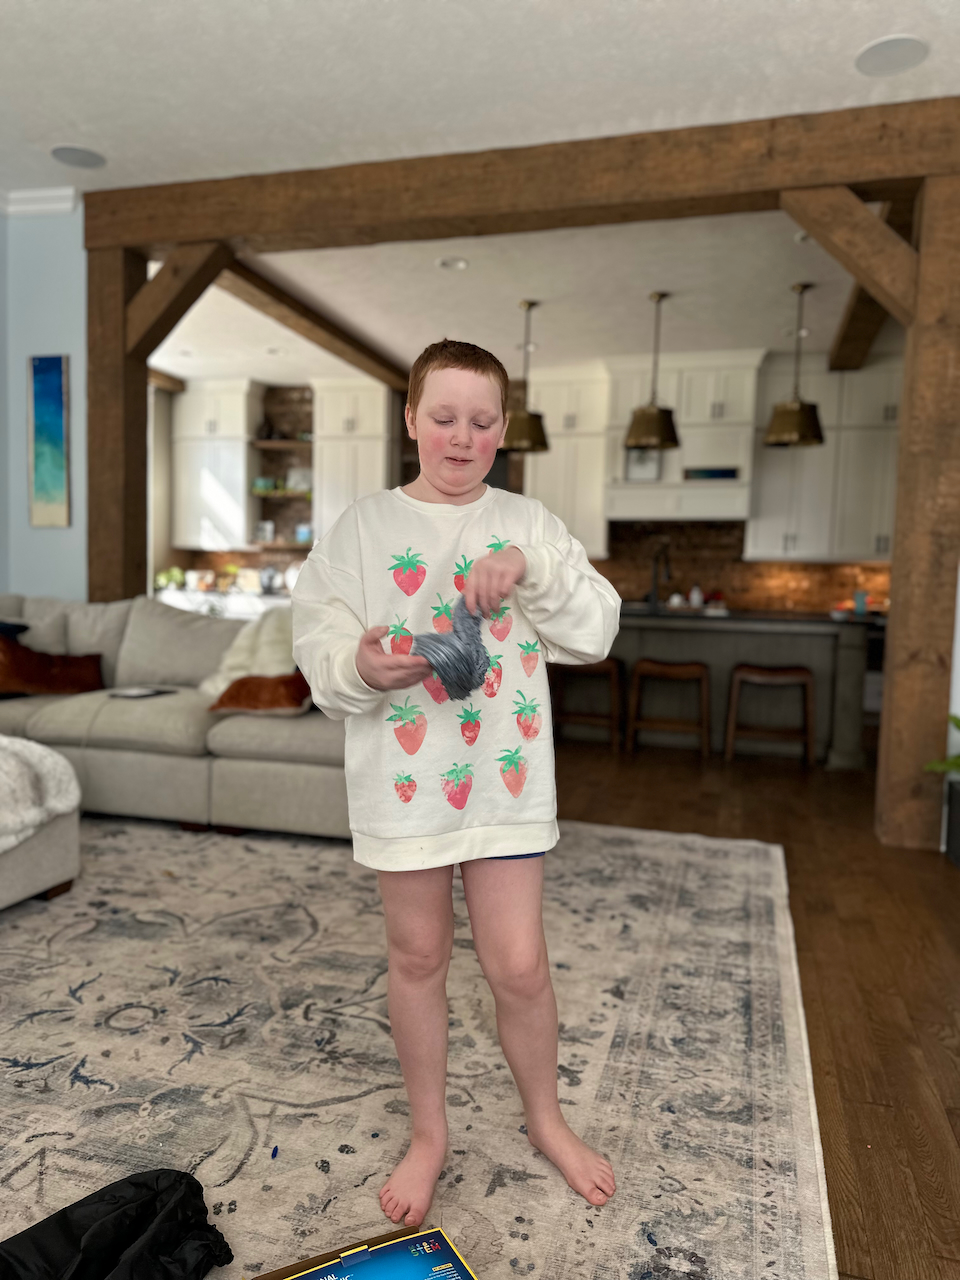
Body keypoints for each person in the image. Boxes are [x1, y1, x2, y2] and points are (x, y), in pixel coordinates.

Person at [292, 339, 621, 1229]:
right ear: (411, 420)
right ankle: (429, 1134)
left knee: (519, 965)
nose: (461, 437)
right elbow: (320, 651)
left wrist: (533, 572)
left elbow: (596, 632)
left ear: (503, 430)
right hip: (405, 787)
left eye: (481, 421)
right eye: (443, 417)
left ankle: (546, 1119)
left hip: (504, 786)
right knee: (418, 959)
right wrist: (359, 665)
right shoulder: (361, 529)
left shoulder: (529, 522)